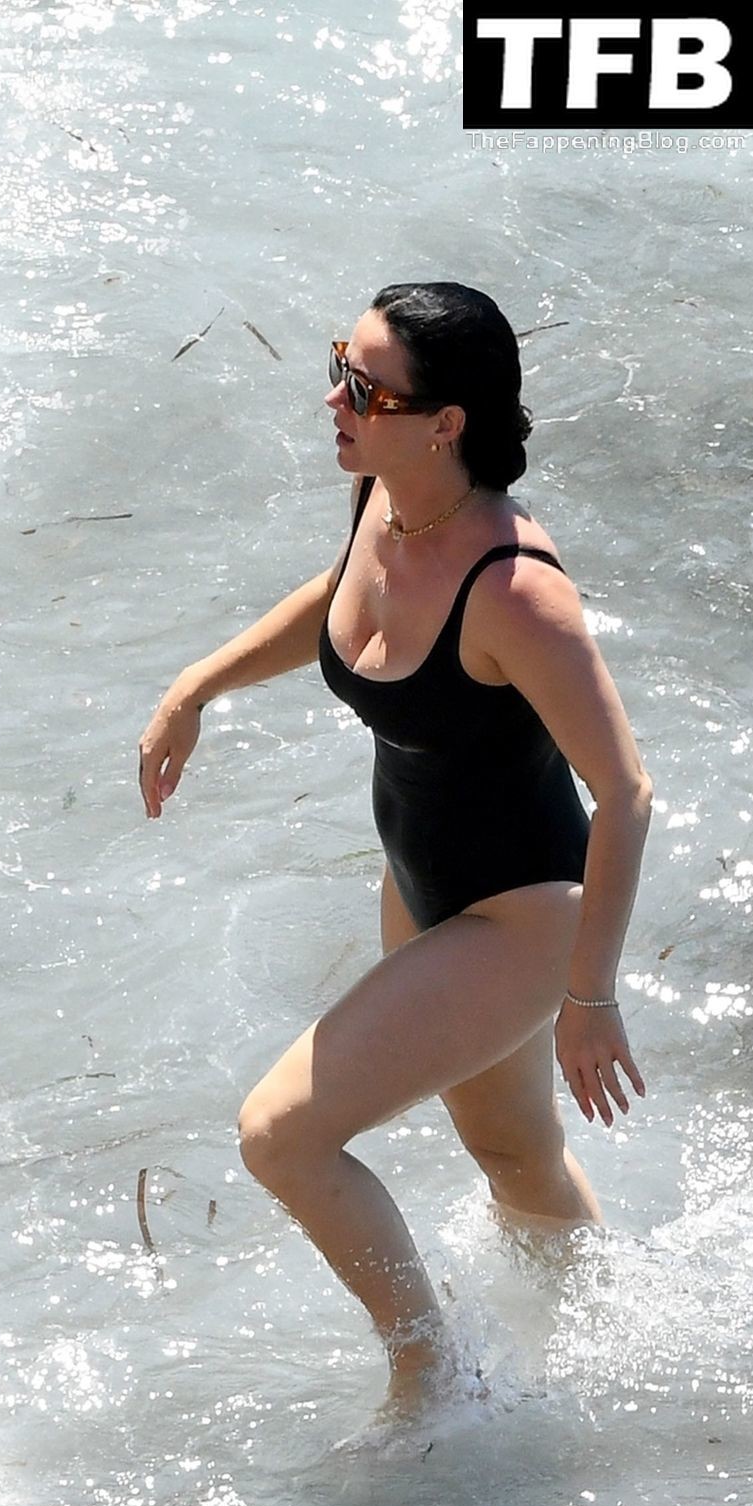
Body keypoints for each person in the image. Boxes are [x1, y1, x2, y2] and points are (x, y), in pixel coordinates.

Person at [138, 282, 652, 1421]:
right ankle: (611, 1350)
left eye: (364, 390)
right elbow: (346, 596)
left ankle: (430, 1376)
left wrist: (588, 997)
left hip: (523, 918)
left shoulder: (515, 592)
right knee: (513, 1154)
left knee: (281, 1136)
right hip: (421, 885)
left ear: (444, 424)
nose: (334, 400)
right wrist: (197, 685)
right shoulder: (384, 497)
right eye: (340, 365)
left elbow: (625, 792)